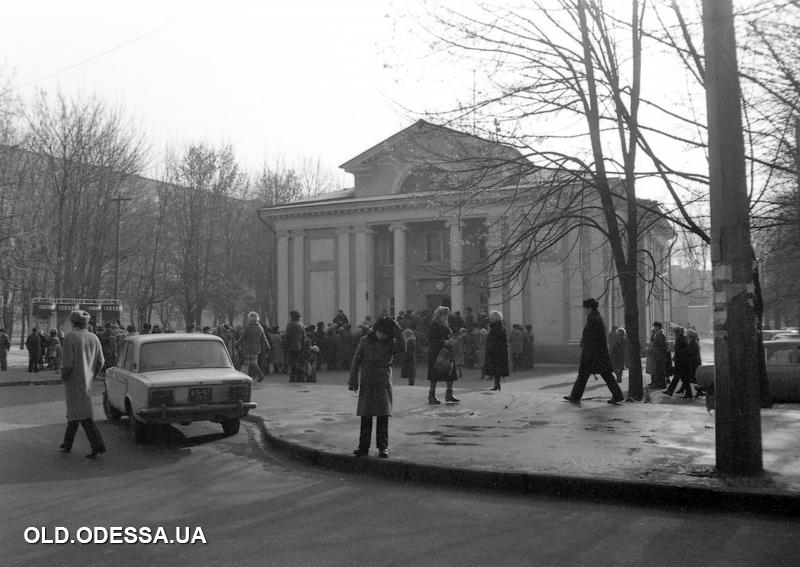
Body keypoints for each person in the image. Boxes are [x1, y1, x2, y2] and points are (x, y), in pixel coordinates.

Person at [348, 316, 404, 458]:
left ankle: (382, 447)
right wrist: (353, 380)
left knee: (383, 416)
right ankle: (363, 446)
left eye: (386, 334)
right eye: (381, 332)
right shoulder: (364, 341)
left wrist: (397, 330)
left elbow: (403, 347)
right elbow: (356, 360)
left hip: (383, 381)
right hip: (367, 380)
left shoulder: (391, 343)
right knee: (365, 416)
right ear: (376, 330)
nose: (382, 336)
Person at [60, 309, 106, 459]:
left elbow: (67, 364)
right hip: (87, 380)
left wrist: (64, 377)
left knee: (82, 415)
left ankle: (98, 445)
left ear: (73, 323)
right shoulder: (94, 338)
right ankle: (67, 443)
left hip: (74, 381)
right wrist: (93, 374)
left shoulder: (70, 337)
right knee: (76, 413)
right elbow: (101, 361)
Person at [564, 298, 625, 405]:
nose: (584, 310)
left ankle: (575, 396)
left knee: (585, 375)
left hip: (593, 354)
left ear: (589, 308)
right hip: (598, 354)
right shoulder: (597, 318)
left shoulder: (593, 319)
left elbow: (591, 337)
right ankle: (617, 395)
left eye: (585, 308)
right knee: (603, 375)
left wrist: (586, 348)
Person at [426, 306, 459, 404]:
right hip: (436, 352)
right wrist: (445, 342)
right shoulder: (434, 325)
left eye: (447, 315)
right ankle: (431, 395)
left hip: (447, 351)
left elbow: (448, 335)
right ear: (439, 315)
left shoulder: (446, 323)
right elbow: (432, 339)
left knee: (450, 373)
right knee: (435, 375)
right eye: (445, 315)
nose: (446, 317)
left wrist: (452, 340)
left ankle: (449, 394)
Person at [237, 311, 270, 382]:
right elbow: (263, 338)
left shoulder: (248, 327)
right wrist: (267, 346)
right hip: (257, 348)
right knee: (253, 362)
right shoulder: (260, 327)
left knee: (251, 363)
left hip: (248, 347)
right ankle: (250, 376)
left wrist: (237, 343)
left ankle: (260, 375)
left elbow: (243, 336)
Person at [663, 326, 693, 399]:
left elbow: (682, 350)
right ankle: (671, 390)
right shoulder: (681, 339)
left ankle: (688, 393)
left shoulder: (681, 339)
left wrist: (677, 355)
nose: (674, 334)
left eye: (675, 332)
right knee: (679, 377)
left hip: (681, 361)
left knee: (682, 377)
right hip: (681, 361)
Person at [484, 311, 509, 391]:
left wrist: (490, 349)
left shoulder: (496, 328)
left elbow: (493, 341)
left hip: (496, 351)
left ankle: (496, 384)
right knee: (497, 368)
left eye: (491, 318)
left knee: (496, 367)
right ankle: (496, 384)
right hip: (499, 351)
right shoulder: (500, 327)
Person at [646, 321, 670, 389]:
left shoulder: (661, 334)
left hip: (660, 355)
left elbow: (662, 345)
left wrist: (654, 346)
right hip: (657, 354)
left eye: (655, 327)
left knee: (660, 371)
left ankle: (661, 384)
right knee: (658, 370)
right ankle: (658, 383)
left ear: (658, 327)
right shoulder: (657, 334)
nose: (654, 328)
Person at [284, 310, 306, 382]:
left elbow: (287, 336)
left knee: (292, 363)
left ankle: (293, 378)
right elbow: (304, 337)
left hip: (291, 346)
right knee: (299, 363)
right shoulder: (301, 324)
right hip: (300, 347)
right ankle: (300, 377)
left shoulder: (290, 324)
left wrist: (285, 345)